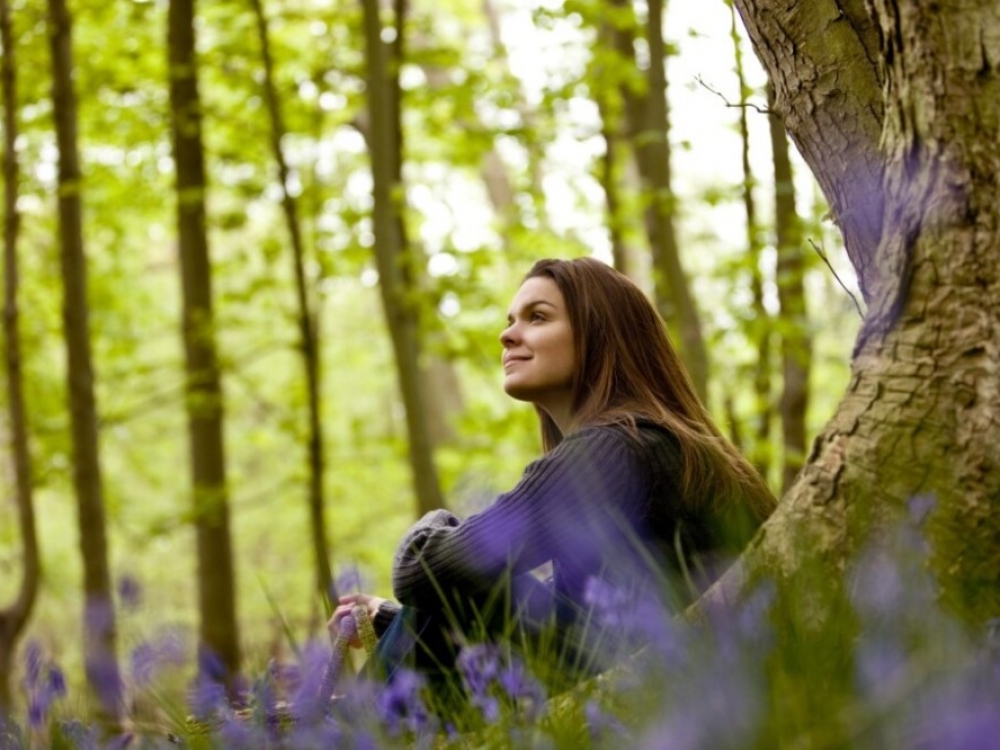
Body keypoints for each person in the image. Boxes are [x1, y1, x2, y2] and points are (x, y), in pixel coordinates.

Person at [329, 257, 776, 706]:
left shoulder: (614, 451)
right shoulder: (653, 444)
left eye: (537, 317)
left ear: (601, 336)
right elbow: (557, 628)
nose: (507, 335)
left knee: (443, 583)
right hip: (679, 688)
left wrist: (434, 525)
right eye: (510, 321)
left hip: (676, 709)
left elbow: (421, 570)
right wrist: (390, 617)